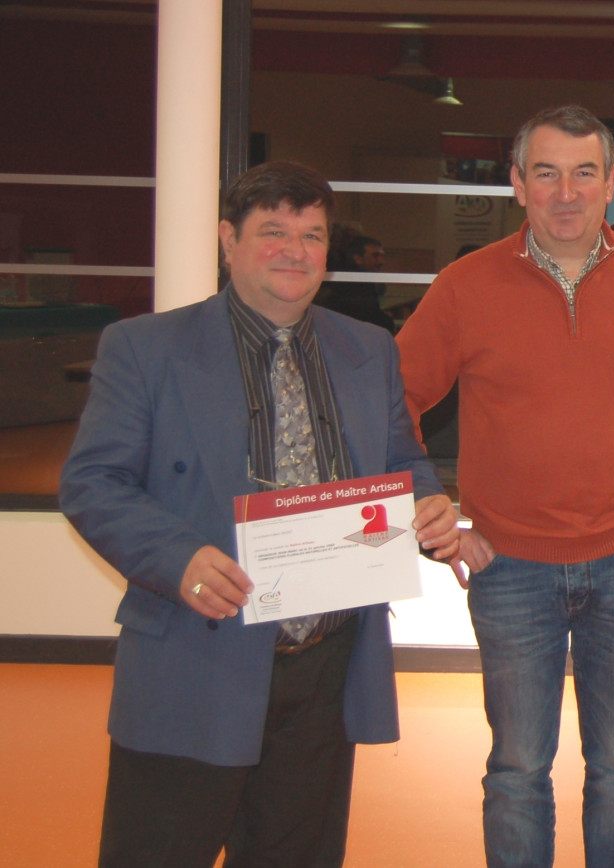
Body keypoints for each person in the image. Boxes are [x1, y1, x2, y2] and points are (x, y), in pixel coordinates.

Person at [59, 161, 462, 867]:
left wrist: (427, 501)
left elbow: (403, 457)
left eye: (312, 235)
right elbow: (94, 482)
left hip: (324, 666)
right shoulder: (146, 349)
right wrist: (175, 558)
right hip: (198, 650)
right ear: (228, 240)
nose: (295, 250)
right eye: (273, 231)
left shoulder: (366, 349)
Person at [396, 106, 614, 868]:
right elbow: (392, 400)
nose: (566, 192)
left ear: (611, 183)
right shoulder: (465, 286)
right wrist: (430, 506)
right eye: (545, 173)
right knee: (517, 770)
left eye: (584, 173)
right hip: (507, 568)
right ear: (517, 184)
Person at [315, 231, 395, 333]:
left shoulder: (366, 281)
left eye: (381, 256)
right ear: (358, 259)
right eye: (375, 256)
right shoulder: (353, 285)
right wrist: (388, 319)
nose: (381, 261)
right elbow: (369, 317)